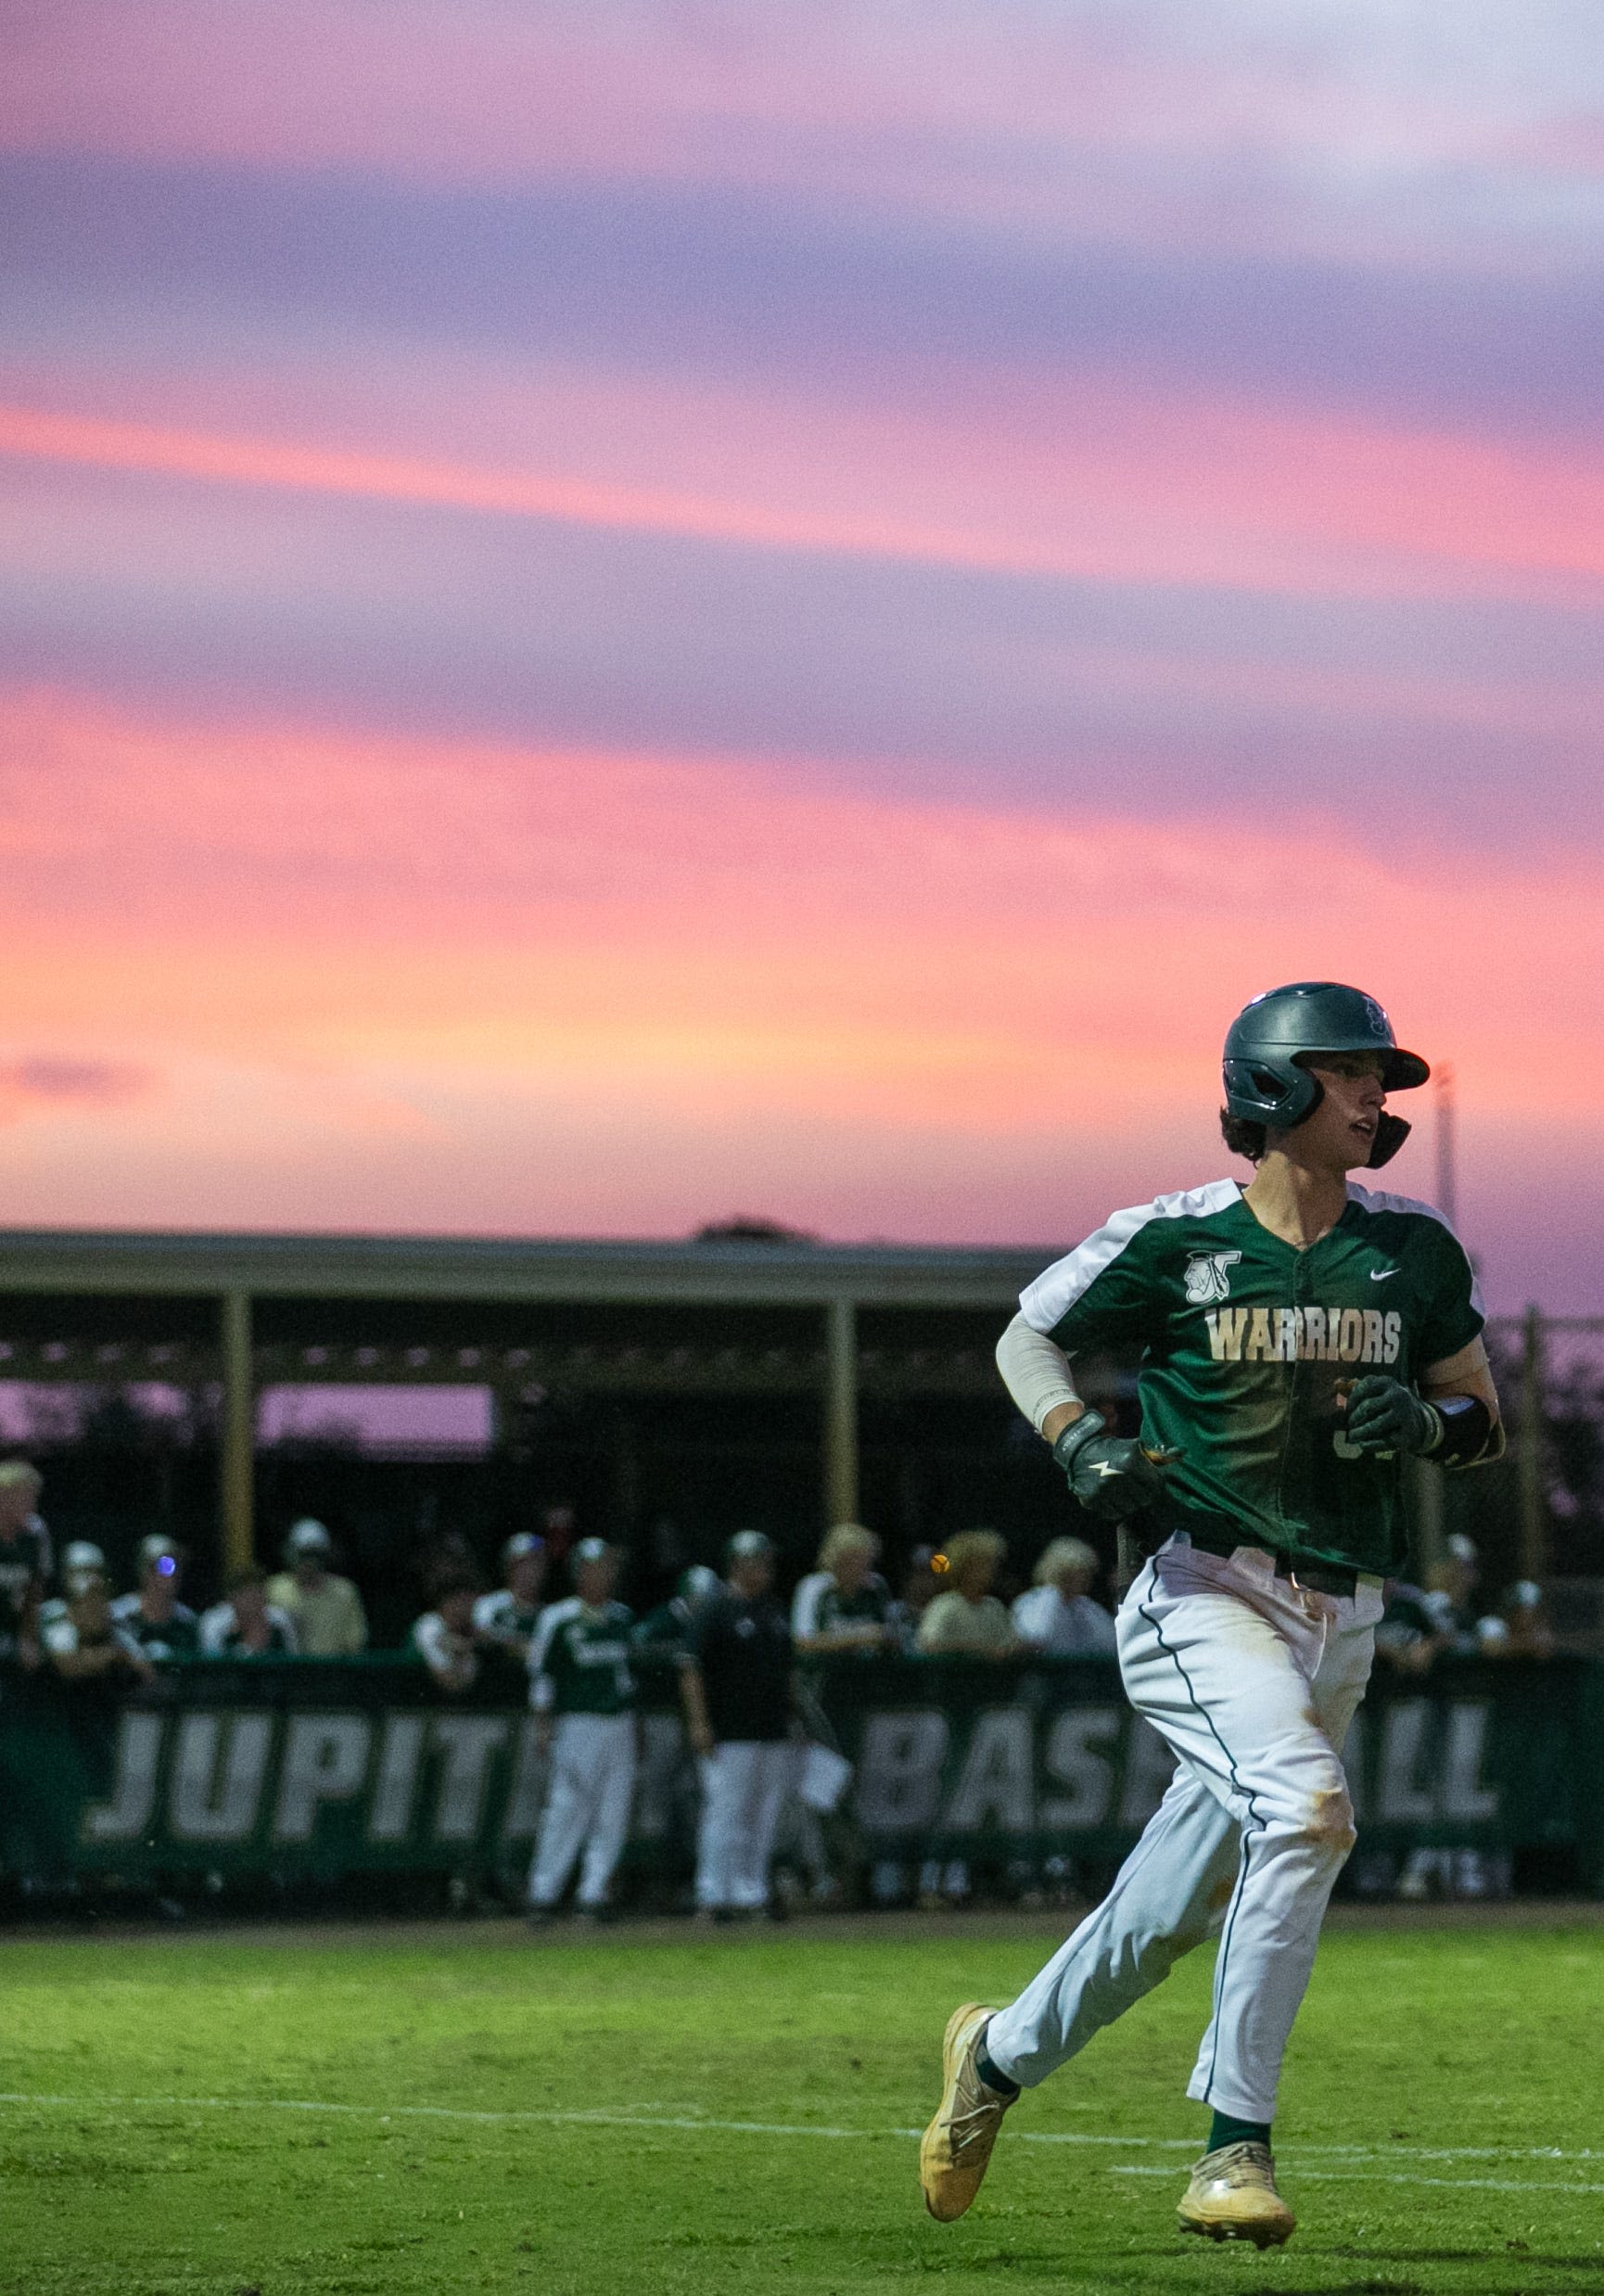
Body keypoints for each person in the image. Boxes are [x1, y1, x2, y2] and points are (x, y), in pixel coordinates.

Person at [919, 980, 1503, 2249]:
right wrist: (1079, 1442)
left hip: (1341, 1609)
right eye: (1350, 1070)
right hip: (1201, 1589)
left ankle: (996, 2059)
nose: (1374, 1094)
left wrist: (1431, 1426)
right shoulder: (1170, 1236)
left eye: (1378, 1077)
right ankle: (1231, 2150)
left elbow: (1481, 1413)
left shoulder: (1410, 1249)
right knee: (1303, 1811)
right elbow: (1029, 1339)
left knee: (1161, 1915)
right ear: (1270, 1087)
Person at [680, 1530, 796, 1920]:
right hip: (729, 1730)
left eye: (767, 1561)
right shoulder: (715, 1609)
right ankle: (712, 1896)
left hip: (771, 1728)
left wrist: (793, 1718)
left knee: (762, 1815)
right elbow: (689, 1666)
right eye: (757, 1561)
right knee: (725, 1814)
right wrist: (699, 1722)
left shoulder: (775, 1609)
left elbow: (788, 1672)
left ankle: (751, 1893)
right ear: (738, 1565)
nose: (765, 1569)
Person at [526, 1538, 637, 1921]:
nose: (600, 1576)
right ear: (577, 1573)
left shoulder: (622, 1618)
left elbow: (627, 1681)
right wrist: (543, 1725)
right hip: (577, 1723)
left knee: (613, 1813)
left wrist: (634, 1728)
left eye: (606, 1568)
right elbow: (542, 1677)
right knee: (567, 1808)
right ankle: (543, 1893)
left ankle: (594, 1894)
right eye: (592, 1568)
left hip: (618, 1723)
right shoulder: (559, 1619)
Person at [792, 1524, 895, 1659]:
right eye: (851, 1561)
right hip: (825, 1675)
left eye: (865, 1561)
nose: (860, 1568)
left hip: (869, 1674)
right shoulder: (815, 1587)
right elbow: (803, 1643)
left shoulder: (876, 1586)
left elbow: (892, 1635)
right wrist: (859, 1637)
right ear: (834, 1561)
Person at [266, 1519, 367, 1655]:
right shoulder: (275, 1588)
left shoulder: (345, 1592)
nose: (309, 1562)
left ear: (325, 1556)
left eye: (315, 1555)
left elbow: (355, 1644)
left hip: (332, 1671)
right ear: (292, 1554)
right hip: (287, 1671)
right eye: (304, 1555)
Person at [915, 1531, 1021, 1658]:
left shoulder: (994, 1607)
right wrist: (981, 1651)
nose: (992, 1569)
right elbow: (930, 1645)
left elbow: (1010, 1644)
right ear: (965, 1567)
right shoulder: (945, 1605)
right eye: (984, 1564)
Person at [1012, 1537, 1118, 1657]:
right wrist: (1053, 1593)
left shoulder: (1086, 1606)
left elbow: (1111, 1642)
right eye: (1080, 1572)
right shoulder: (1032, 1601)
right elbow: (1037, 1635)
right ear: (1063, 1573)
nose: (1087, 1578)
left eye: (1088, 1572)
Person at [110, 1536, 199, 1659]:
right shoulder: (118, 1616)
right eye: (166, 1566)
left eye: (178, 1566)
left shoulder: (188, 1621)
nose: (173, 1574)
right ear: (144, 1571)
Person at [0, 1461, 51, 1667]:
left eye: (33, 1497)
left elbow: (35, 1591)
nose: (32, 1505)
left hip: (15, 1626)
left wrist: (27, 1640)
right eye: (25, 1497)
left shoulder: (35, 1534)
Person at [473, 1531, 548, 1666]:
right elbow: (482, 1635)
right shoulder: (490, 1604)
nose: (530, 1570)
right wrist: (519, 1646)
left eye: (536, 1564)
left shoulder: (549, 1613)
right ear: (509, 1567)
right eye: (522, 1564)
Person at [410, 1574, 487, 1694]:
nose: (465, 1608)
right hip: (414, 1703)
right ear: (445, 1603)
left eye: (469, 1602)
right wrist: (462, 1647)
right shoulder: (429, 1624)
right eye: (460, 1602)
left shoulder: (475, 1628)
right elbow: (447, 1680)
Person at [199, 1568, 299, 1656]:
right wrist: (248, 1647)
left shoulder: (280, 1620)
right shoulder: (214, 1622)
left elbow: (291, 1657)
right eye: (247, 1594)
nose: (254, 1599)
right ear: (231, 1597)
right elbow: (214, 1666)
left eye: (258, 1592)